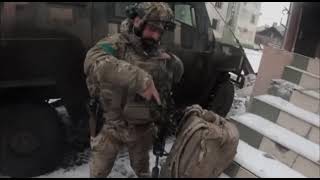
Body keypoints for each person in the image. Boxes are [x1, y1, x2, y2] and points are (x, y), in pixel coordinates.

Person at [83, 2, 184, 178]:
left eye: (160, 32)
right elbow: (93, 62)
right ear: (137, 21)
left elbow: (176, 76)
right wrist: (140, 79)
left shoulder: (155, 50)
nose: (155, 35)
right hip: (110, 127)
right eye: (152, 28)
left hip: (141, 129)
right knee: (98, 172)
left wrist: (174, 63)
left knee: (143, 170)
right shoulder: (115, 44)